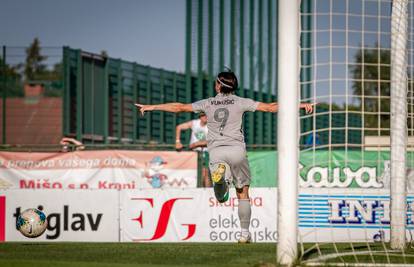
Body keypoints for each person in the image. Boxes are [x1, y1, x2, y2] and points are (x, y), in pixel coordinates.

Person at [135, 70, 314, 243]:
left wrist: (152, 107)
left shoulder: (207, 103)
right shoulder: (241, 101)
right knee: (242, 192)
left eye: (216, 82)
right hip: (237, 151)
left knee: (220, 194)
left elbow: (179, 107)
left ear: (219, 86)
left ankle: (220, 182)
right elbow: (270, 108)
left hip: (216, 151)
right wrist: (299, 105)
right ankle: (244, 234)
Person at [175, 112, 211, 187]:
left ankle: (206, 192)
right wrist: (178, 141)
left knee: (205, 174)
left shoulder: (211, 126)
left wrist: (196, 144)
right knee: (193, 174)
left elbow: (211, 141)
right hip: (194, 153)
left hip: (205, 153)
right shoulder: (194, 123)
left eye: (206, 115)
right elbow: (179, 127)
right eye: (203, 115)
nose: (205, 117)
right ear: (200, 117)